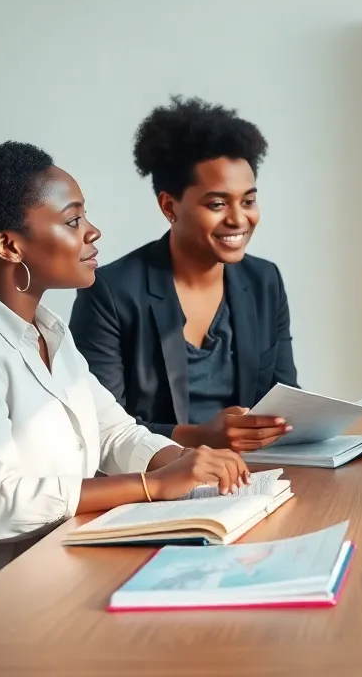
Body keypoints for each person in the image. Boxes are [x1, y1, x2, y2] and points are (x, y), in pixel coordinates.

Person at [0, 141, 251, 634]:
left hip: (60, 563)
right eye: (73, 219)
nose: (93, 231)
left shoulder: (48, 330)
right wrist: (152, 485)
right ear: (9, 246)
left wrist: (186, 465)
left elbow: (115, 434)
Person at [68, 96, 295, 453]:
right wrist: (200, 438)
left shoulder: (265, 281)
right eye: (217, 204)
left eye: (248, 201)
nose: (239, 219)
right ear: (169, 206)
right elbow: (98, 429)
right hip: (155, 486)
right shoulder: (110, 293)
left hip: (256, 478)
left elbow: (285, 404)